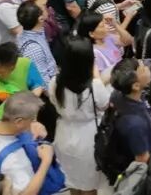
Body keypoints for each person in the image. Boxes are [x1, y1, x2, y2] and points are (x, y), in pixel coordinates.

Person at [49, 36, 110, 195]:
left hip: (64, 133)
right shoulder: (94, 85)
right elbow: (104, 104)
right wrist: (97, 77)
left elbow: (54, 102)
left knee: (71, 178)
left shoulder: (55, 83)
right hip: (88, 138)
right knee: (89, 183)